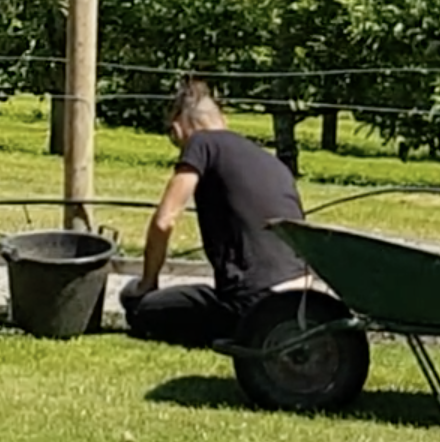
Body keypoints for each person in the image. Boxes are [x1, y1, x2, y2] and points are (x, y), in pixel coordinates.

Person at [120, 79, 310, 347]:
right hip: (302, 301)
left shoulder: (200, 144)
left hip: (253, 304)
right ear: (224, 119)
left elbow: (165, 221)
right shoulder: (270, 161)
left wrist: (147, 284)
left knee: (140, 306)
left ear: (177, 129)